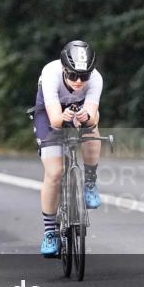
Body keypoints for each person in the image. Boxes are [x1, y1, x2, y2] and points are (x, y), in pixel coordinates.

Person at [31, 40, 103, 257]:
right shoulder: (50, 73)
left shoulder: (96, 78)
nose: (79, 81)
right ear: (64, 69)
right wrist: (63, 118)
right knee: (54, 173)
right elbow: (54, 119)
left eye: (84, 76)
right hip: (49, 110)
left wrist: (86, 117)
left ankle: (90, 182)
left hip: (78, 107)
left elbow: (92, 114)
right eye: (73, 75)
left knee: (92, 128)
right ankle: (50, 232)